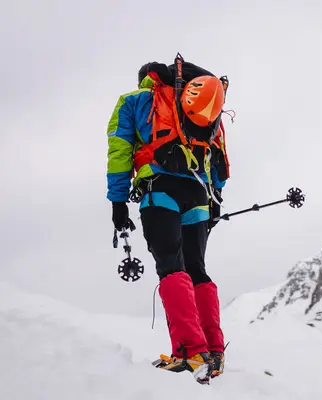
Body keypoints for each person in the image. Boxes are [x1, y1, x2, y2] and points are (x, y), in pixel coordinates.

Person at [106, 56, 231, 384]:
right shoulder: (194, 102)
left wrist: (118, 203)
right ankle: (213, 351)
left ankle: (189, 351)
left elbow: (119, 151)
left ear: (143, 79)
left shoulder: (133, 102)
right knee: (197, 269)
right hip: (199, 195)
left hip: (159, 190)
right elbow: (218, 154)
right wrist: (216, 198)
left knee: (171, 267)